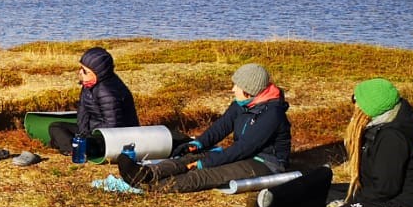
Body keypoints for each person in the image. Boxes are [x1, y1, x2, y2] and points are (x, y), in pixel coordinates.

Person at [117, 63, 291, 194]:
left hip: (264, 163)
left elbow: (243, 148)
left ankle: (150, 186)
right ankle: (146, 173)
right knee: (189, 158)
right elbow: (222, 127)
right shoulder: (242, 104)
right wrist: (199, 144)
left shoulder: (272, 114)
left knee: (205, 173)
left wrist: (203, 163)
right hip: (243, 154)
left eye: (237, 86)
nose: (232, 89)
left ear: (249, 91)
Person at [321, 78, 413, 207]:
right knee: (319, 193)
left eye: (357, 101)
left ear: (372, 106)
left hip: (400, 206)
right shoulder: (375, 130)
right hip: (374, 192)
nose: (354, 105)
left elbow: (385, 189)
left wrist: (348, 202)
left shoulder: (391, 138)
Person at [47, 47, 139, 155]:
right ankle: (72, 147)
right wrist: (83, 133)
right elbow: (83, 113)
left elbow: (113, 127)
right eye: (81, 68)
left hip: (109, 138)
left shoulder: (108, 93)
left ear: (98, 73)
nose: (81, 73)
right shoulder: (89, 84)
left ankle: (74, 149)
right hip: (93, 131)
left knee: (61, 139)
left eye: (85, 71)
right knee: (56, 127)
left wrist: (90, 135)